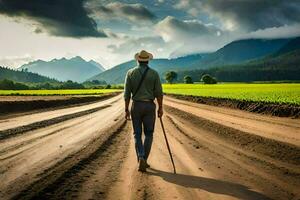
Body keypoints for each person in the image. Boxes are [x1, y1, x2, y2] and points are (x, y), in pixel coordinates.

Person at [124, 50, 163, 172]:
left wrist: (126, 109)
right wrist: (160, 107)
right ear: (148, 60)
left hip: (136, 106)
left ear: (138, 60)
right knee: (149, 134)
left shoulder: (130, 73)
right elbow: (159, 93)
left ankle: (140, 156)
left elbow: (126, 94)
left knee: (137, 134)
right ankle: (144, 159)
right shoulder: (154, 74)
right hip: (150, 106)